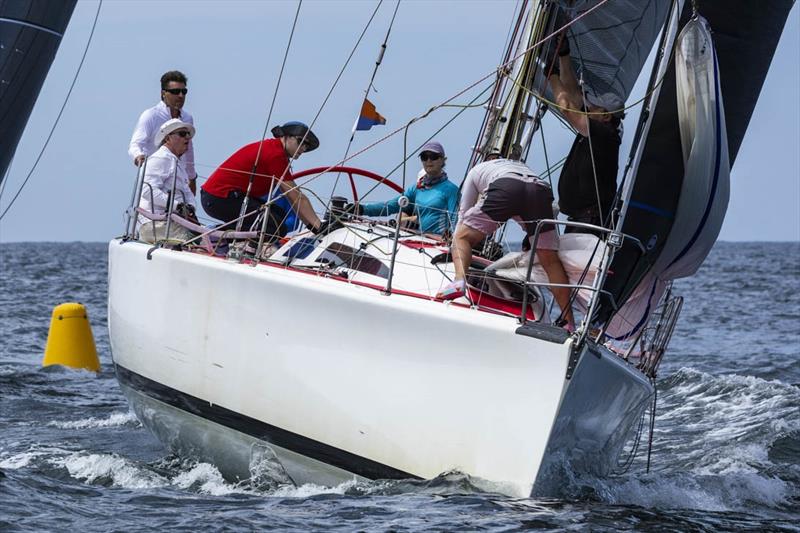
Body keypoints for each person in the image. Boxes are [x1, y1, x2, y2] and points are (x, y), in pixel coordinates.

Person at [438, 158, 574, 329]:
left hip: (506, 188)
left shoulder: (476, 171)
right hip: (540, 188)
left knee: (462, 237)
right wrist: (531, 235)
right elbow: (527, 204)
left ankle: (458, 282)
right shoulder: (521, 166)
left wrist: (456, 241)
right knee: (550, 259)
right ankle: (569, 323)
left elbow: (464, 213)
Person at [548, 33, 623, 234]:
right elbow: (573, 94)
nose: (587, 108)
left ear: (606, 116)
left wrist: (551, 76)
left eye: (592, 107)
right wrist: (564, 55)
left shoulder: (605, 134)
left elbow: (566, 107)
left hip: (591, 223)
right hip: (579, 221)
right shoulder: (598, 128)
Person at [200, 121, 324, 238]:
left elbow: (295, 200)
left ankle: (220, 237)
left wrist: (313, 227)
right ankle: (219, 239)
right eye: (300, 141)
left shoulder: (273, 149)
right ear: (286, 136)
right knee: (274, 226)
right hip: (219, 198)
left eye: (306, 146)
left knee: (279, 218)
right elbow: (297, 197)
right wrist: (321, 228)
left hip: (220, 197)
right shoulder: (275, 154)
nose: (303, 148)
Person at [350, 141, 459, 236]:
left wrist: (452, 242)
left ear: (443, 160)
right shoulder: (416, 188)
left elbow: (456, 219)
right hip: (420, 242)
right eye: (424, 157)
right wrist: (362, 209)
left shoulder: (451, 190)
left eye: (433, 157)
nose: (428, 161)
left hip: (439, 244)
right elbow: (391, 206)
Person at [129, 70, 198, 194]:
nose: (181, 95)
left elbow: (189, 150)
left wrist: (192, 178)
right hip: (154, 179)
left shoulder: (187, 118)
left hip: (178, 180)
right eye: (175, 92)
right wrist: (139, 157)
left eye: (184, 91)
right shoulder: (151, 115)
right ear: (163, 93)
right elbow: (135, 144)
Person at [139, 118, 197, 224]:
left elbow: (188, 193)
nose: (187, 138)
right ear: (167, 138)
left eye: (188, 134)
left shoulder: (176, 162)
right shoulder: (160, 158)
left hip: (176, 222)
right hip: (157, 223)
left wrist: (191, 207)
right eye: (182, 134)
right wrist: (177, 206)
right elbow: (147, 191)